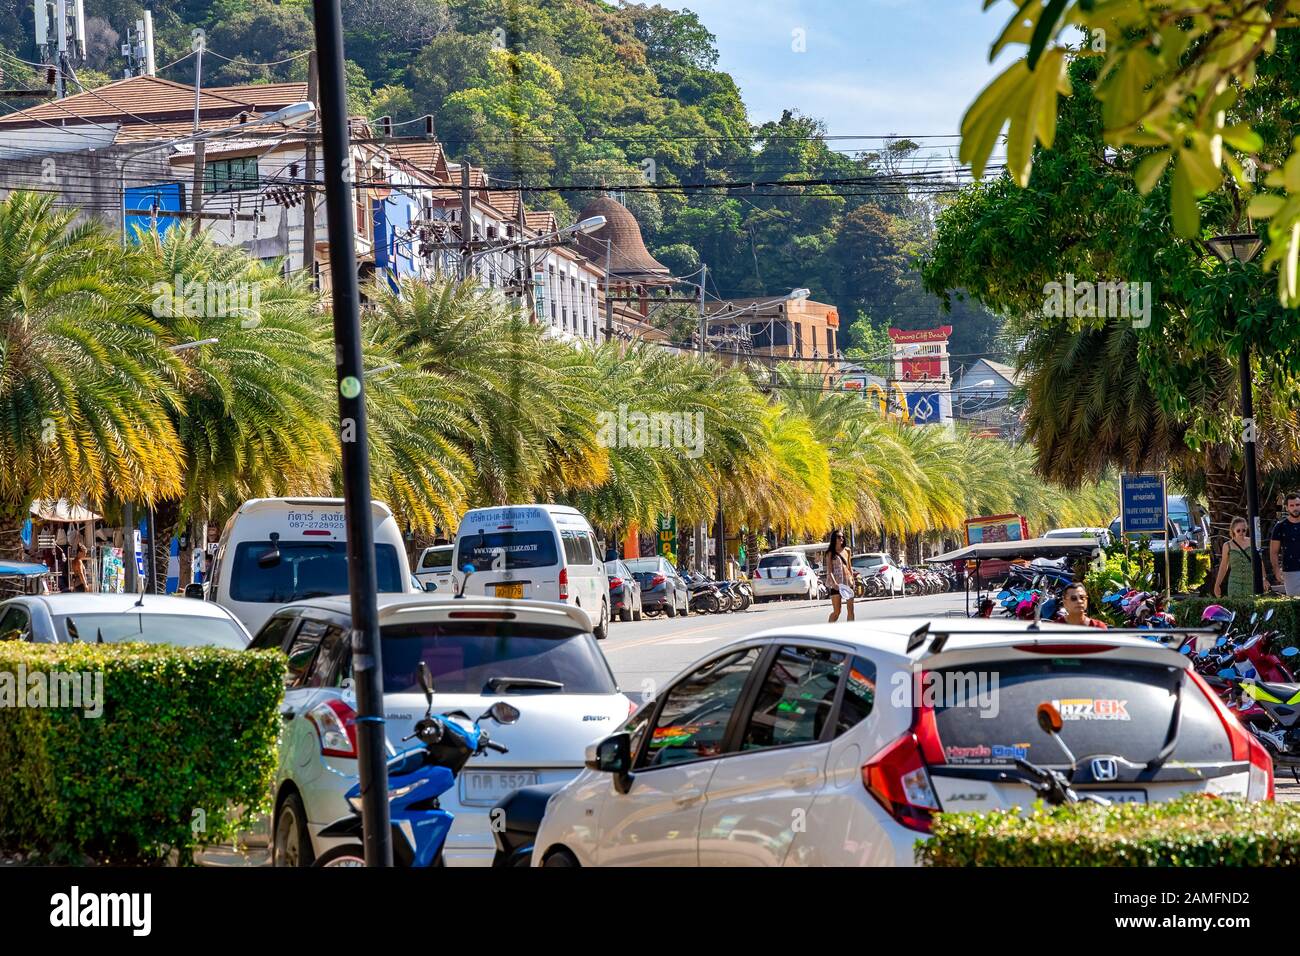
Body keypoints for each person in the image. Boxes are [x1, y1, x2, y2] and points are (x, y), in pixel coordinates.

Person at [1213, 517, 1255, 599]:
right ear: (1233, 531)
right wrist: (1217, 584)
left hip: (1250, 582)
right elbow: (1224, 566)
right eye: (1238, 530)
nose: (1241, 532)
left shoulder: (1252, 542)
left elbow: (1259, 562)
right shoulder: (1227, 545)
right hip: (1234, 583)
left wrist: (1264, 579)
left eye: (1244, 530)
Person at [1270, 492, 1300, 596]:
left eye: (1297, 505)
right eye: (1292, 505)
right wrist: (1276, 570)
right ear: (1287, 508)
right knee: (1294, 605)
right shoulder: (1280, 527)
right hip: (1290, 571)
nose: (1295, 508)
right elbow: (1274, 552)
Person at [826, 528, 855, 623]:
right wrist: (834, 583)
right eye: (839, 537)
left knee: (850, 610)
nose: (841, 539)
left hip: (847, 582)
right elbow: (830, 570)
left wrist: (853, 579)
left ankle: (851, 630)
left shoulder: (847, 551)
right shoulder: (830, 553)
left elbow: (849, 566)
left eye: (842, 537)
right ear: (834, 538)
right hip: (836, 584)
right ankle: (829, 629)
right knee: (837, 612)